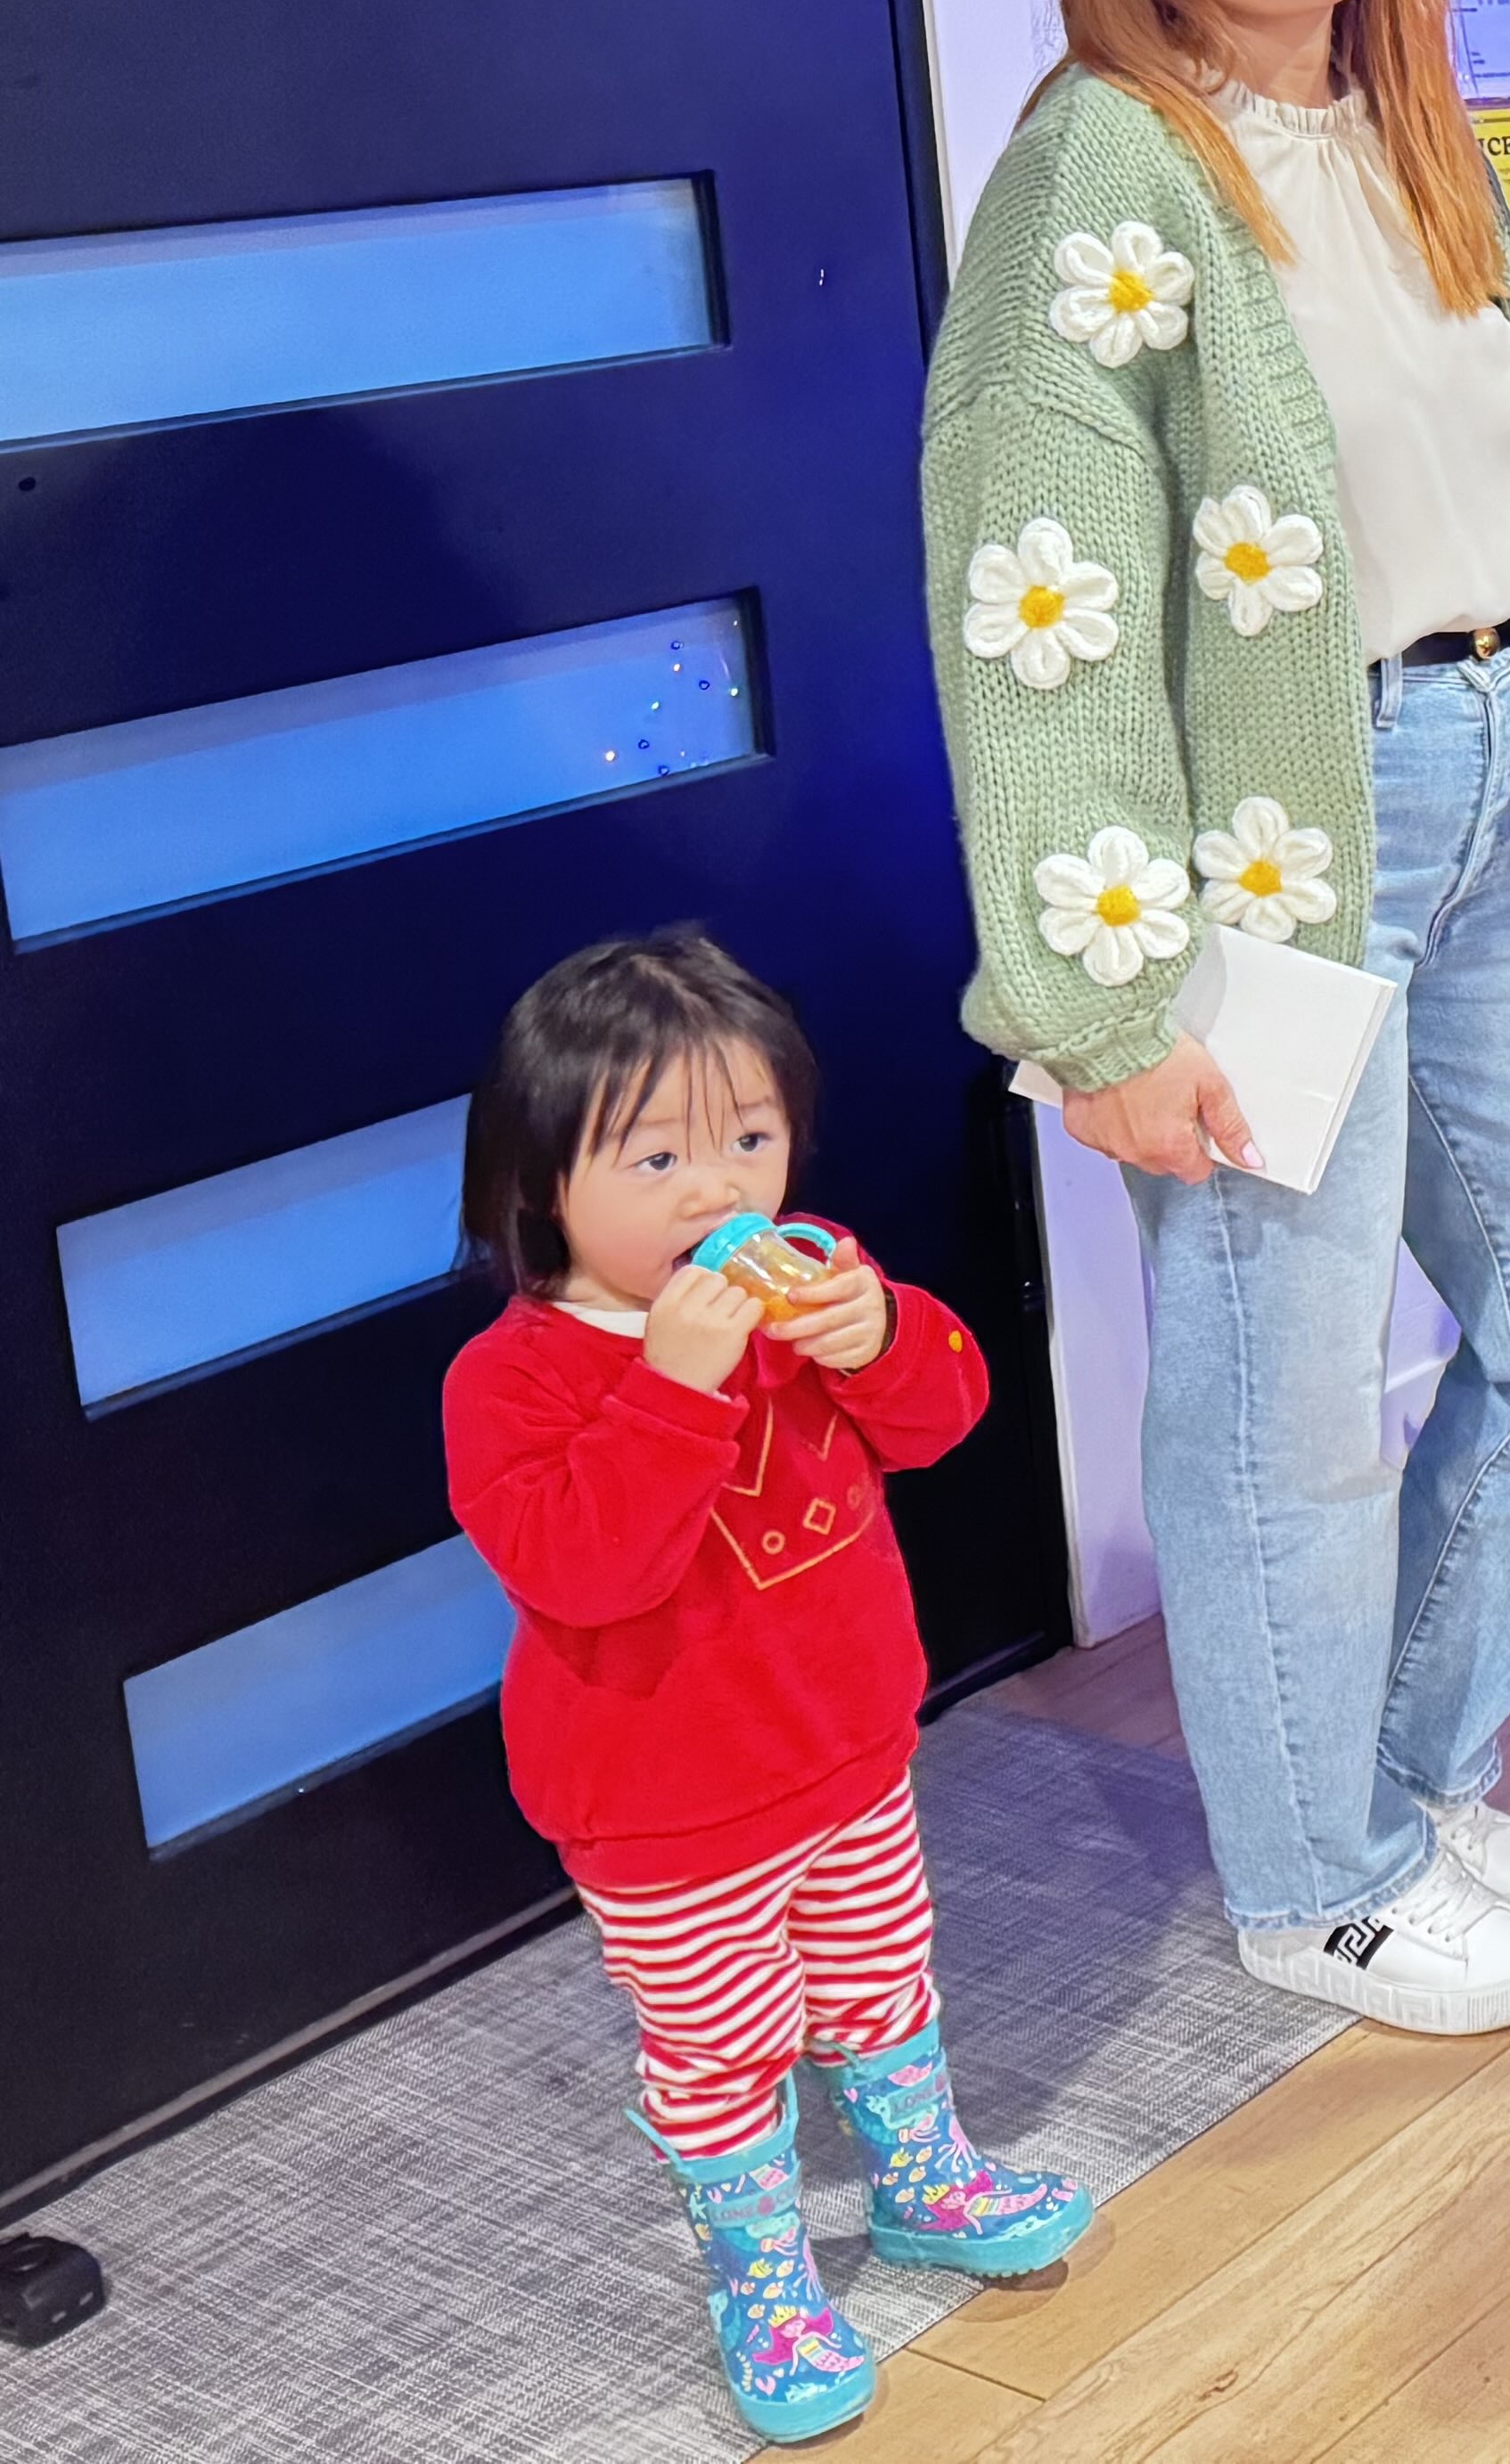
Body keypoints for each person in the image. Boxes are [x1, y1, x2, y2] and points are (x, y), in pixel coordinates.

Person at [920, 0, 1510, 2042]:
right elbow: (1026, 607)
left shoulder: (1402, 129)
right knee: (1282, 1376)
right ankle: (1315, 1877)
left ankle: (1385, 1766)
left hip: (1480, 797)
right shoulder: (1102, 172)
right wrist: (1106, 1001)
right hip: (1270, 843)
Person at [443, 931, 1090, 2447]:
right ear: (542, 1185)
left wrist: (882, 1333)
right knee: (723, 2046)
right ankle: (763, 2274)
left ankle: (922, 2179)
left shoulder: (814, 1280)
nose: (716, 1190)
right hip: (662, 1811)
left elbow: (942, 1417)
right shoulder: (515, 1379)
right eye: (655, 1153)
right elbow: (584, 1570)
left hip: (850, 1749)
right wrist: (670, 1389)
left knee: (882, 1975)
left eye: (748, 1139)